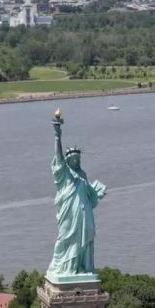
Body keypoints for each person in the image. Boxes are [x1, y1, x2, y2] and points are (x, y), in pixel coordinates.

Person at [47, 111, 107, 277]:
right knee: (65, 237)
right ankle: (63, 267)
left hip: (84, 212)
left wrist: (97, 192)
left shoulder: (82, 175)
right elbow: (58, 158)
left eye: (78, 159)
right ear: (68, 161)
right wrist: (57, 135)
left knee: (85, 239)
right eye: (74, 159)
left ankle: (82, 267)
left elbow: (89, 194)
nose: (77, 161)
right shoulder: (64, 174)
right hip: (69, 213)